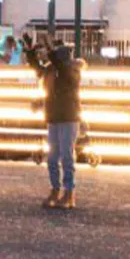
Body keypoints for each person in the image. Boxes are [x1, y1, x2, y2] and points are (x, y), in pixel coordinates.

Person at [23, 33, 83, 209]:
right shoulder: (54, 70)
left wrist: (49, 50)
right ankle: (56, 190)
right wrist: (30, 51)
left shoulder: (70, 72)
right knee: (53, 158)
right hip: (54, 116)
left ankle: (69, 192)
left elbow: (59, 69)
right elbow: (37, 68)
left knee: (66, 156)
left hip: (68, 117)